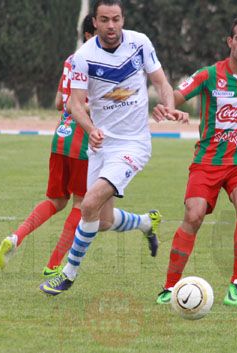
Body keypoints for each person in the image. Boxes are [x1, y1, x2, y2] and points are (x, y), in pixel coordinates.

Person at [0, 14, 161, 277]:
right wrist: (104, 100)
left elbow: (61, 102)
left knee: (60, 202)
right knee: (82, 205)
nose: (108, 32)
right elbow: (80, 102)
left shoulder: (70, 61)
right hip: (87, 142)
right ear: (90, 32)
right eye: (102, 27)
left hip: (61, 139)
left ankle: (17, 237)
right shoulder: (87, 58)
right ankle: (55, 264)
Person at [39, 0, 187, 295]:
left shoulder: (140, 43)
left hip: (133, 144)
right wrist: (91, 129)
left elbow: (161, 81)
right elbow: (73, 103)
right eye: (104, 20)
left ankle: (67, 274)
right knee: (103, 221)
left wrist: (169, 107)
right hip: (102, 146)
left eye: (116, 19)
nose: (111, 26)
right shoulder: (84, 57)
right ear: (94, 22)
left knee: (88, 204)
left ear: (123, 19)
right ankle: (146, 223)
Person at [155, 16, 237, 306]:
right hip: (208, 161)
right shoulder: (209, 75)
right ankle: (169, 286)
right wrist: (166, 108)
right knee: (193, 214)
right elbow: (176, 95)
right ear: (229, 41)